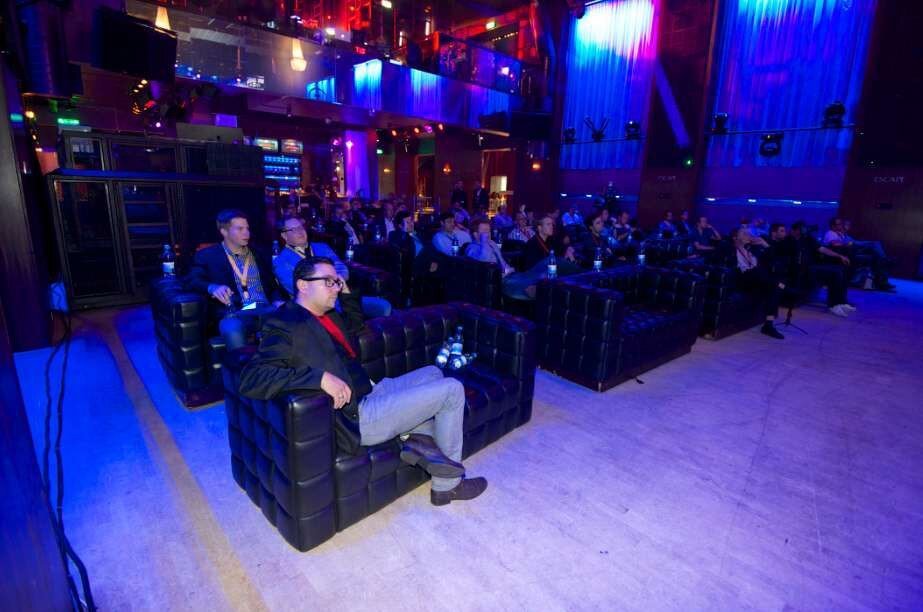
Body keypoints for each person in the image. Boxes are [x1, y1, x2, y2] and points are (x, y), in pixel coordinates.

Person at [239, 256, 487, 506]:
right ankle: (447, 486)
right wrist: (319, 378)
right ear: (303, 285)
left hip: (372, 390)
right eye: (328, 282)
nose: (336, 287)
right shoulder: (285, 323)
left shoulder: (325, 315)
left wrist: (345, 290)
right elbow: (252, 378)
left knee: (433, 372)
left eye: (337, 281)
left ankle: (412, 439)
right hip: (358, 416)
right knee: (452, 389)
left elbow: (355, 325)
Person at [186, 209, 285, 350]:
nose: (246, 233)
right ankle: (242, 363)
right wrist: (212, 287)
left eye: (247, 228)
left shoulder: (259, 253)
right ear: (224, 232)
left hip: (267, 309)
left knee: (297, 319)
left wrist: (277, 300)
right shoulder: (207, 256)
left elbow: (272, 284)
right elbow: (191, 280)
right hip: (235, 313)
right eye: (240, 229)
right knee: (232, 328)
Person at [273, 217, 392, 317]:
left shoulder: (322, 247)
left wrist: (332, 284)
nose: (300, 231)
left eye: (301, 227)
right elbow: (298, 290)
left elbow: (343, 269)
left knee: (383, 306)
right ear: (284, 235)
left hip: (343, 299)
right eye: (293, 229)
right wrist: (332, 281)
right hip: (314, 311)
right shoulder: (281, 262)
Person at [787, 221, 855, 317]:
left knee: (840, 271)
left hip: (811, 266)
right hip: (799, 269)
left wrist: (839, 256)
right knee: (834, 274)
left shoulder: (807, 239)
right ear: (794, 230)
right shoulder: (788, 241)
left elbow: (822, 249)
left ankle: (841, 302)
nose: (802, 231)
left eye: (803, 229)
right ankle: (833, 305)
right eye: (800, 229)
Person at [729, 227, 786, 339]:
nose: (748, 236)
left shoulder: (752, 250)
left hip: (756, 280)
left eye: (748, 234)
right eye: (744, 234)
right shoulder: (729, 249)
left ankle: (768, 325)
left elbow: (773, 259)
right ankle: (782, 286)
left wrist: (765, 245)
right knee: (759, 274)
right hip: (742, 279)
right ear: (735, 237)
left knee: (773, 289)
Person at [823, 217, 895, 291]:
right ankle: (884, 263)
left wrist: (849, 242)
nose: (841, 226)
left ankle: (882, 280)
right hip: (845, 253)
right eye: (839, 224)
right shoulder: (830, 233)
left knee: (876, 255)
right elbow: (835, 244)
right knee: (874, 245)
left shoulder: (840, 234)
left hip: (852, 250)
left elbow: (847, 242)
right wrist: (848, 244)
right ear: (832, 226)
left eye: (841, 224)